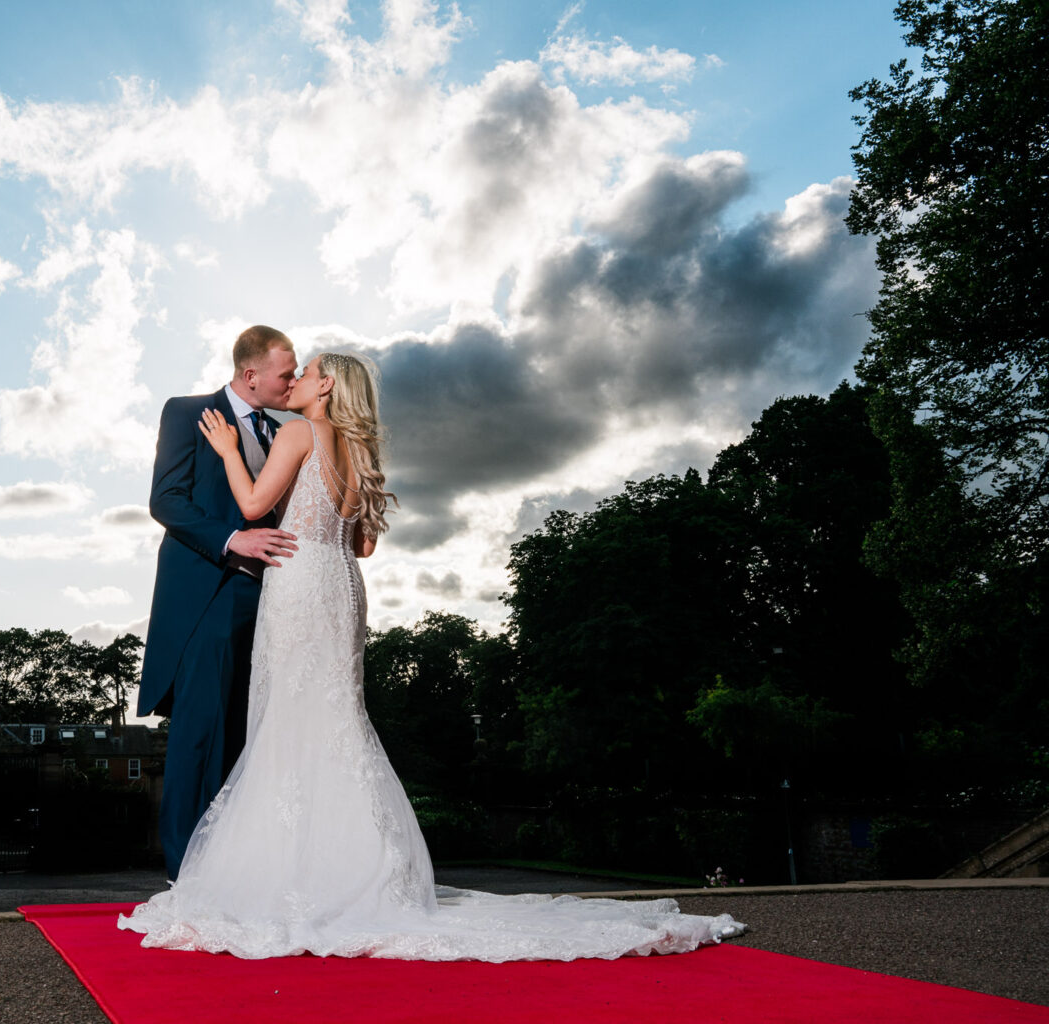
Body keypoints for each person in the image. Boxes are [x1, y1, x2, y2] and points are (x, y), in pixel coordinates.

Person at [119, 351, 746, 960]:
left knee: (290, 718)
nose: (298, 380)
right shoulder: (358, 453)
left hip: (301, 580)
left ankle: (299, 872)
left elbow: (255, 508)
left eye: (307, 373)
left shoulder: (299, 435)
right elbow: (362, 545)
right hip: (341, 584)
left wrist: (229, 453)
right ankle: (350, 871)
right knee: (334, 717)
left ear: (328, 387)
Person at [140, 325, 300, 881]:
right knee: (199, 729)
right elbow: (166, 500)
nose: (294, 380)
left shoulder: (286, 431)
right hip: (208, 590)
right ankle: (187, 873)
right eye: (287, 371)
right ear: (251, 374)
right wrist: (235, 540)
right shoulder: (188, 412)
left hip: (268, 598)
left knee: (244, 729)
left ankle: (235, 868)